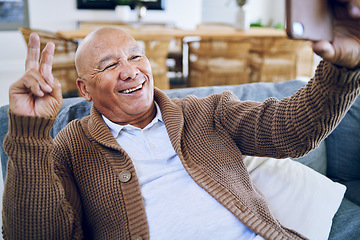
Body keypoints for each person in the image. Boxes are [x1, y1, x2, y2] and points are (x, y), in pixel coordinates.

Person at [2, 0, 360, 239]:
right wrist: (30, 133)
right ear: (84, 88)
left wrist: (343, 68)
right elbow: (37, 234)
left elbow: (290, 131)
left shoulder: (206, 111)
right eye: (110, 65)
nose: (130, 71)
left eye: (135, 56)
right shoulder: (70, 144)